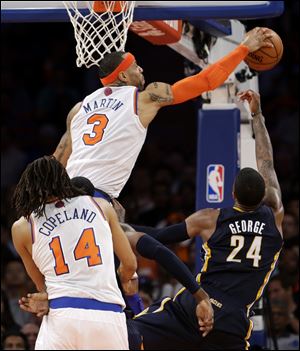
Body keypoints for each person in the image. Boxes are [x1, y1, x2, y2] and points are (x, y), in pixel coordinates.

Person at [18, 89, 285, 349]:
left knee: (131, 337)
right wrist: (258, 117)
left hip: (192, 309)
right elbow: (267, 163)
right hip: (233, 321)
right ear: (266, 195)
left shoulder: (210, 219)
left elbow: (162, 238)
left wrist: (119, 227)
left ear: (232, 192)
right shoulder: (275, 216)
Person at [11, 156, 138, 350]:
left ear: (28, 187)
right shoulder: (101, 206)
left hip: (62, 315)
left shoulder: (22, 227)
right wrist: (125, 278)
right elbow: (129, 264)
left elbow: (42, 285)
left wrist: (45, 298)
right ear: (64, 179)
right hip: (107, 314)